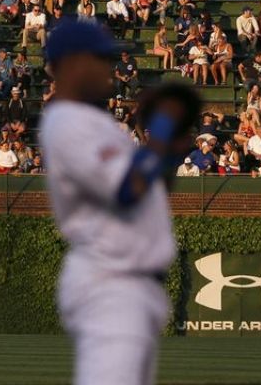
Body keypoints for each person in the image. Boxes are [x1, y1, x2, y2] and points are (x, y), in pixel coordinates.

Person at [39, 20, 197, 385]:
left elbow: (148, 190)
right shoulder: (67, 121)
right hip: (110, 284)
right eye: (102, 58)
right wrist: (161, 128)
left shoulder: (97, 123)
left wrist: (170, 151)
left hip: (130, 285)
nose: (111, 67)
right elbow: (127, 190)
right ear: (73, 64)